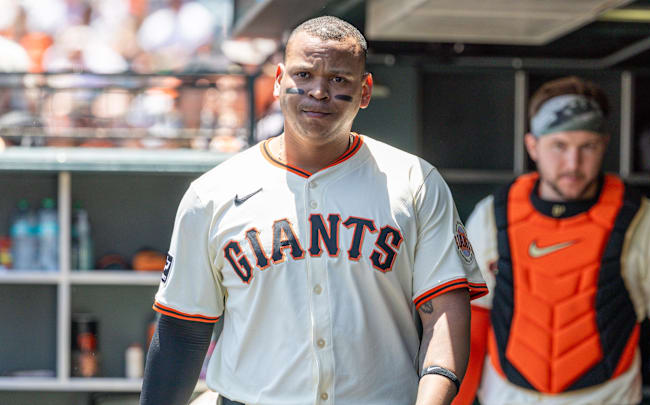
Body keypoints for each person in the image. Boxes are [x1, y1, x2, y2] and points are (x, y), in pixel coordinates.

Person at [140, 16, 488, 405]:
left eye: (339, 79)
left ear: (365, 89)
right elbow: (181, 333)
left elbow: (443, 313)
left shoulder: (414, 181)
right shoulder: (213, 193)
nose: (319, 91)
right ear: (277, 80)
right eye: (303, 74)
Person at [453, 76, 650, 405]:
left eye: (587, 146)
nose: (573, 163)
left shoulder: (645, 221)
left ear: (604, 143)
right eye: (559, 146)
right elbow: (472, 333)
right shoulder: (491, 217)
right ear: (533, 146)